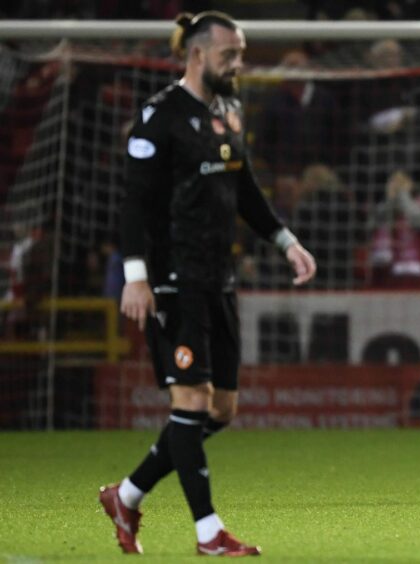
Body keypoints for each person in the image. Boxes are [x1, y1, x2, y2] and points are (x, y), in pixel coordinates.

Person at [98, 11, 317, 557]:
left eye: (239, 54)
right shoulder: (158, 117)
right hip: (173, 281)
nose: (238, 64)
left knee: (220, 410)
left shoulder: (228, 111)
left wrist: (286, 242)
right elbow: (133, 205)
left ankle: (125, 495)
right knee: (191, 400)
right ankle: (207, 532)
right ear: (198, 54)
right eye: (230, 55)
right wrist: (136, 277)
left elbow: (244, 192)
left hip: (218, 279)